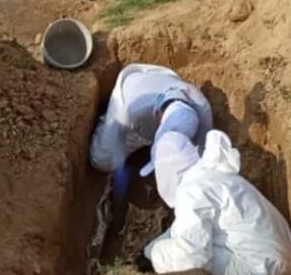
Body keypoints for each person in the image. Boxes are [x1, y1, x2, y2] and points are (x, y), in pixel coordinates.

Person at [141, 129, 291, 275]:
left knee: (167, 256)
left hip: (262, 274)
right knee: (179, 239)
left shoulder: (191, 192)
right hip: (276, 261)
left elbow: (191, 262)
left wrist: (153, 254)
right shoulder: (209, 175)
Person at [90, 63, 213, 197]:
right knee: (101, 160)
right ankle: (105, 111)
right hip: (130, 89)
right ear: (159, 114)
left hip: (162, 81)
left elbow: (203, 150)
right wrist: (119, 166)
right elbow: (116, 141)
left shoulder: (202, 110)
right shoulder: (133, 112)